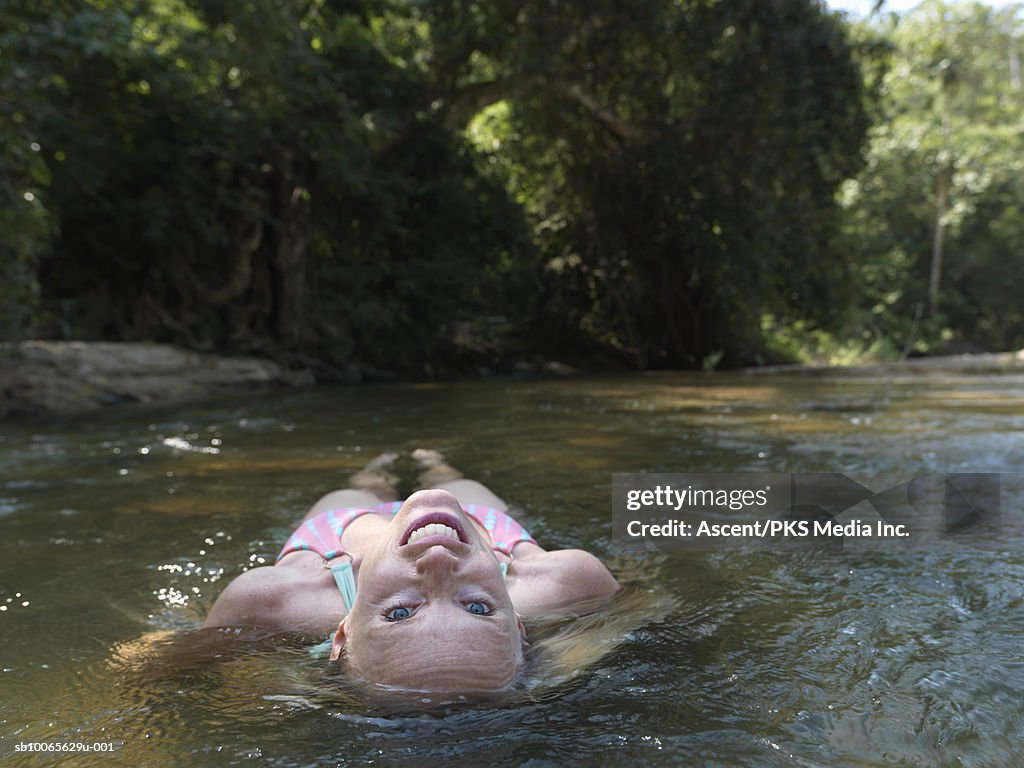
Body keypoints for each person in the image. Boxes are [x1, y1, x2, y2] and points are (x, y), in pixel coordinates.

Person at [203, 450, 620, 694]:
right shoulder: (568, 581)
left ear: (344, 633)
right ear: (519, 625)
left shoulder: (270, 599)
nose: (438, 560)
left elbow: (154, 661)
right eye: (477, 606)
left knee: (358, 487)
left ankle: (376, 472)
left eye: (399, 612)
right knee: (461, 483)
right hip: (480, 522)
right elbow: (633, 614)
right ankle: (435, 464)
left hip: (335, 530)